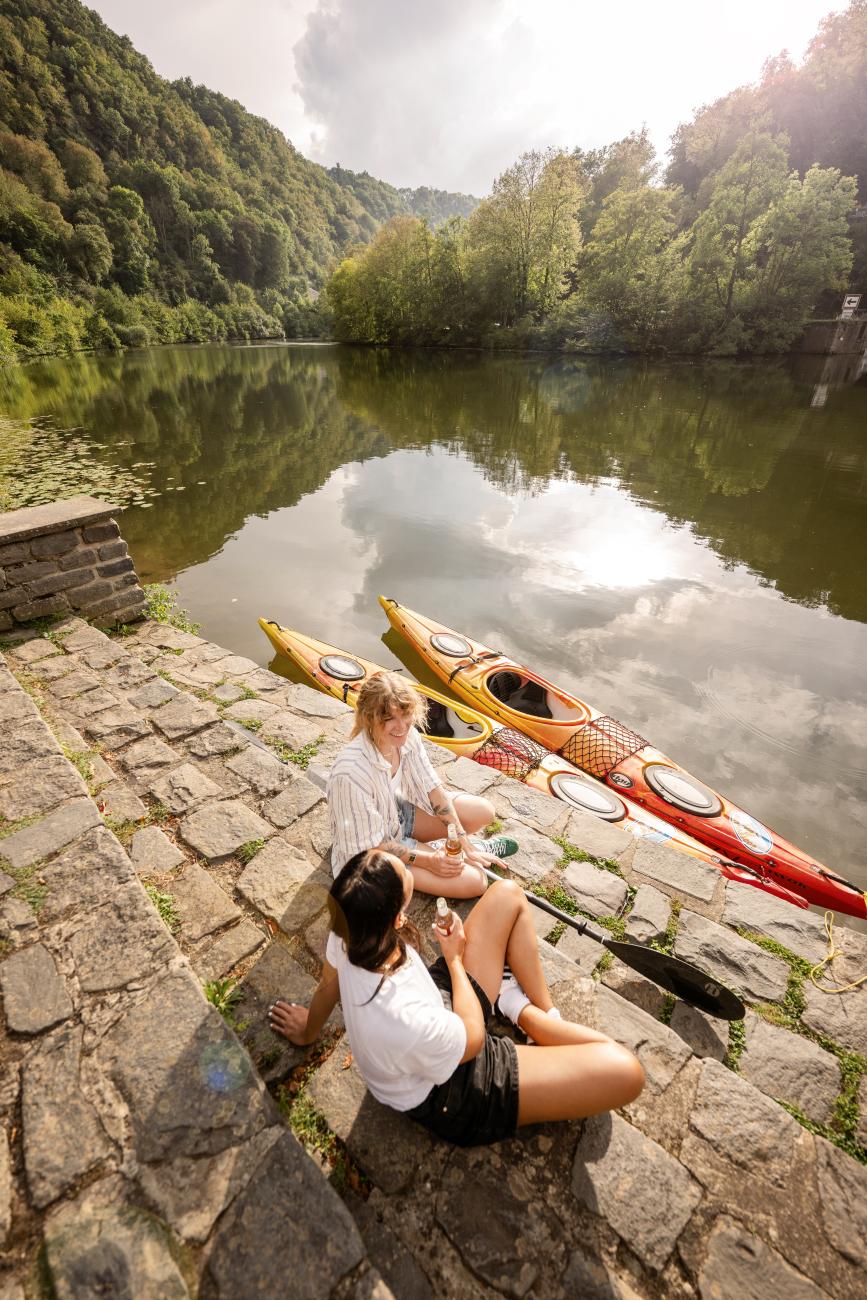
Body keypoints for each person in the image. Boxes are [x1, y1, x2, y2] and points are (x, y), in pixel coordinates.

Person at [268, 849, 644, 1146]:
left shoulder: (350, 930)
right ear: (397, 918)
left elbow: (327, 987)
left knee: (508, 894)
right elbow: (473, 1038)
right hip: (454, 1087)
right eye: (406, 877)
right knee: (626, 1071)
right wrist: (454, 958)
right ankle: (521, 1010)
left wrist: (308, 1030)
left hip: (438, 1009)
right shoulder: (400, 1017)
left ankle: (543, 1012)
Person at [327, 670, 516, 898]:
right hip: (373, 852)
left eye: (405, 715)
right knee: (475, 882)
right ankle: (444, 853)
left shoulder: (407, 737)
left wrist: (465, 844)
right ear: (369, 719)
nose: (402, 726)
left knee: (482, 811)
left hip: (398, 815)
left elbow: (434, 791)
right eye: (389, 719)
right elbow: (371, 846)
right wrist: (429, 861)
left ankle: (471, 850)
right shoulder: (350, 774)